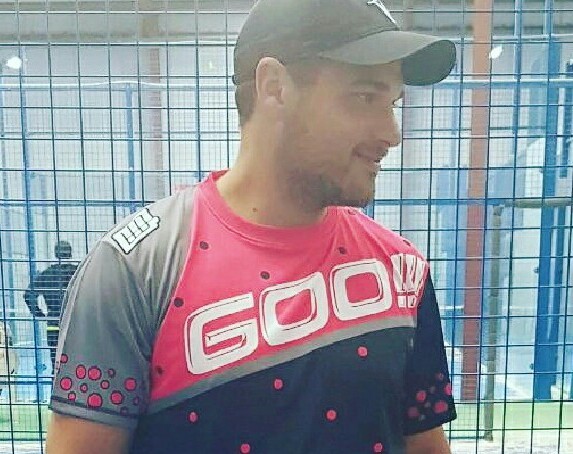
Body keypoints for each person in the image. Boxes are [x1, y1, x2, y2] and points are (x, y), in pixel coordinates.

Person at [46, 0, 458, 452]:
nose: (391, 133)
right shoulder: (134, 269)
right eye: (364, 98)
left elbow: (424, 443)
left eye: (392, 103)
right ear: (274, 87)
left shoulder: (401, 269)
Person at [24, 240, 78, 373]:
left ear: (55, 253)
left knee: (56, 363)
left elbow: (28, 295)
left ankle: (56, 384)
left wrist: (39, 314)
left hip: (54, 322)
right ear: (70, 253)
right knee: (77, 363)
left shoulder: (47, 274)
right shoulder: (77, 272)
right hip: (74, 322)